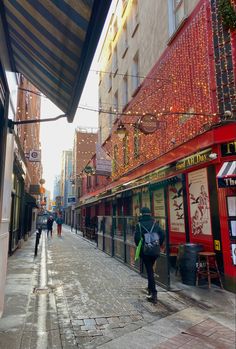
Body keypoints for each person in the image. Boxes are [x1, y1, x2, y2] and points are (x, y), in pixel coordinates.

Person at [134, 207, 165, 304]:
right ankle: (149, 288)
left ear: (141, 214)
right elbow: (162, 234)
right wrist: (158, 244)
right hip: (155, 251)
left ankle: (154, 293)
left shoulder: (139, 225)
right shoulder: (155, 224)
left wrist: (143, 245)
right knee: (150, 269)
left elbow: (137, 239)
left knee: (150, 271)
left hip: (145, 252)